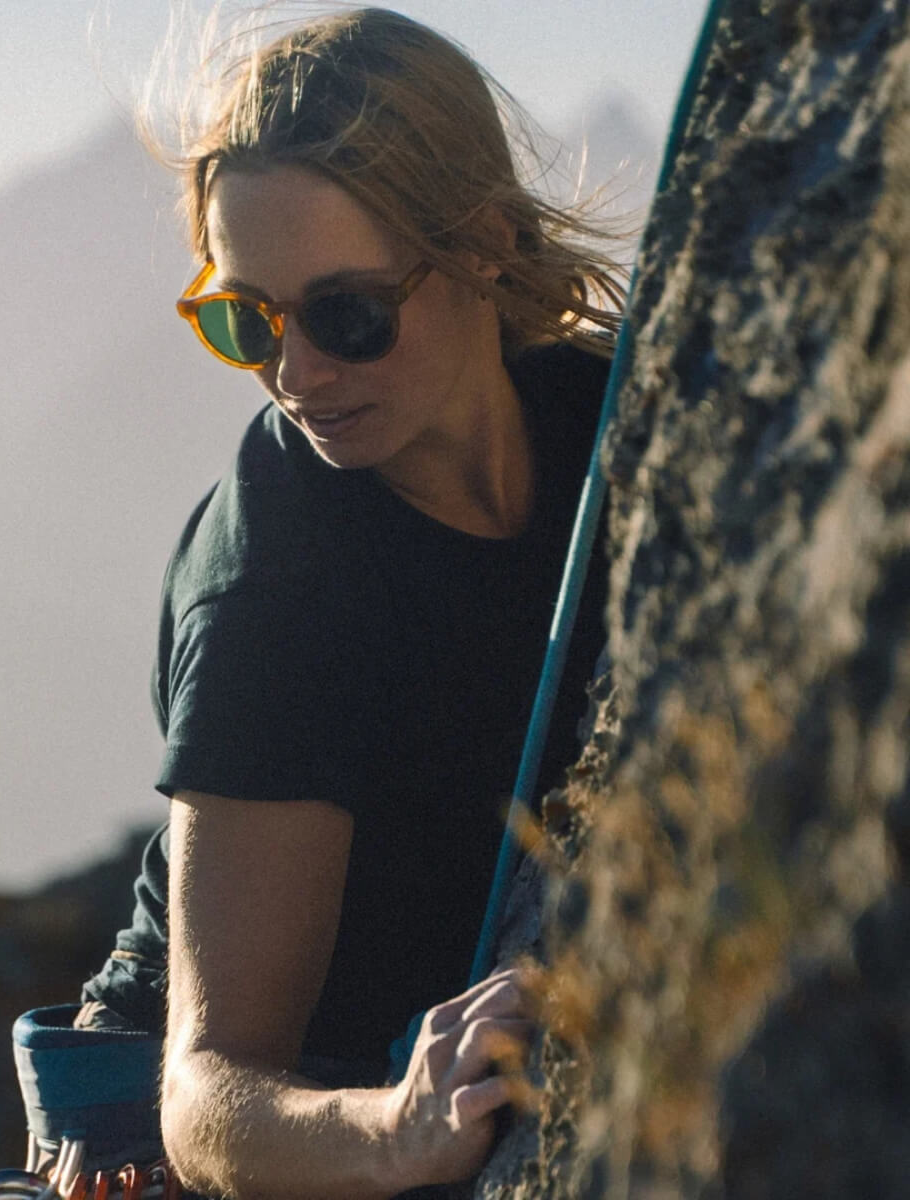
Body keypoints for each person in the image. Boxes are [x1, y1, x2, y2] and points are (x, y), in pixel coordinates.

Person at [77, 8, 624, 1197]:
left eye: (348, 315)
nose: (298, 375)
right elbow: (208, 1092)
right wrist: (396, 1125)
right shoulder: (278, 585)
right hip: (244, 1128)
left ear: (484, 246)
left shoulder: (608, 421)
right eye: (248, 321)